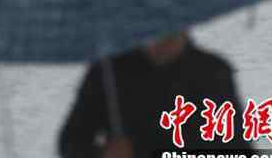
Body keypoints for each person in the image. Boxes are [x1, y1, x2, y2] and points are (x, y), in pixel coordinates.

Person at [58, 33, 254, 158]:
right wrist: (102, 154)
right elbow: (71, 142)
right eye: (154, 32)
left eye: (172, 30)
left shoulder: (213, 72)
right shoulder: (109, 74)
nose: (162, 41)